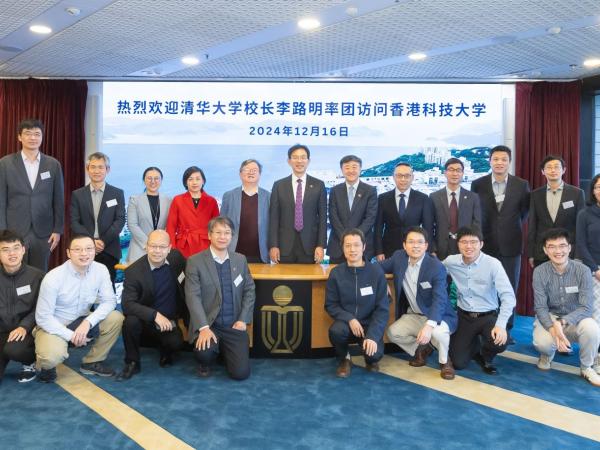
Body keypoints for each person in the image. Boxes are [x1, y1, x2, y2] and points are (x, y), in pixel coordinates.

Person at [34, 234, 124, 383]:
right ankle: (45, 363)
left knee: (116, 318)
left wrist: (88, 322)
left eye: (89, 249)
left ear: (95, 251)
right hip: (55, 325)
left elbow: (109, 301)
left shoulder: (101, 270)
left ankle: (91, 362)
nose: (84, 253)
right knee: (50, 357)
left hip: (81, 320)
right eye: (78, 249)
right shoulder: (53, 277)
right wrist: (71, 336)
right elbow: (43, 318)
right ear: (68, 253)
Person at [382, 227, 457, 380]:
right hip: (415, 315)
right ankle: (423, 348)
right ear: (404, 245)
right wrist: (382, 282)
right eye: (411, 242)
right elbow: (376, 267)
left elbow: (440, 299)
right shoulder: (399, 257)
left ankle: (445, 361)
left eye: (419, 242)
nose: (415, 246)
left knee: (436, 332)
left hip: (439, 315)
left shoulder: (435, 266)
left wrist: (429, 326)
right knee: (393, 333)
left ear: (426, 246)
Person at [185, 216, 255, 380]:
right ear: (209, 235)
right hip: (210, 324)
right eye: (218, 232)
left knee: (240, 374)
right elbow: (192, 296)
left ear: (231, 236)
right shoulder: (195, 261)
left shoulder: (240, 259)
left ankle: (225, 351)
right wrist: (203, 327)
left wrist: (243, 319)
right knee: (204, 353)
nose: (222, 237)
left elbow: (250, 290)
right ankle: (206, 361)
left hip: (234, 325)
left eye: (227, 233)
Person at [471, 145, 530, 333]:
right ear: (490, 161)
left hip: (511, 244)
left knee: (509, 287)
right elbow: (476, 214)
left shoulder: (521, 184)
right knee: (486, 286)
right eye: (495, 159)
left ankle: (507, 327)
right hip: (486, 245)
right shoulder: (478, 184)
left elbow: (524, 213)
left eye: (503, 159)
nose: (499, 162)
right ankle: (487, 326)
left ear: (509, 162)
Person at [443, 226, 515, 375]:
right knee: (458, 363)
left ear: (481, 244)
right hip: (464, 316)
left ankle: (486, 353)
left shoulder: (493, 264)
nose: (469, 246)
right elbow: (434, 271)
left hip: (488, 316)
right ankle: (474, 344)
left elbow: (508, 296)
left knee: (500, 341)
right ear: (458, 244)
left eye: (473, 242)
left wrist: (501, 325)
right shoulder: (451, 261)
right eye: (464, 242)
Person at [533, 228, 600, 386]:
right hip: (551, 316)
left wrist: (562, 322)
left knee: (592, 328)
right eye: (552, 246)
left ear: (569, 248)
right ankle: (547, 355)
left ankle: (586, 367)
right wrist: (554, 330)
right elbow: (540, 307)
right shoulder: (539, 272)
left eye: (562, 245)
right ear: (545, 250)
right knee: (542, 344)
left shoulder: (583, 270)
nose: (558, 251)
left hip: (576, 317)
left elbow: (586, 307)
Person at [117, 230, 186, 381]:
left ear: (169, 248)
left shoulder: (177, 259)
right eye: (153, 246)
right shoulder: (134, 271)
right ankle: (132, 361)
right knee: (130, 321)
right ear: (146, 247)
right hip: (145, 320)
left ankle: (165, 350)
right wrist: (154, 315)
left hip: (169, 320)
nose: (157, 251)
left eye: (162, 247)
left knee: (176, 344)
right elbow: (127, 304)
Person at [0, 119, 64, 272]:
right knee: (13, 272)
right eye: (28, 134)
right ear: (19, 137)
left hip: (44, 232)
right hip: (14, 230)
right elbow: (1, 200)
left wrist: (58, 229)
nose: (33, 138)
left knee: (40, 273)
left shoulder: (53, 164)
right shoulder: (5, 163)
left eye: (37, 134)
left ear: (42, 137)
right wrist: (2, 232)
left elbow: (59, 199)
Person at [325, 228, 389, 378]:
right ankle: (344, 358)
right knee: (335, 331)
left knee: (375, 355)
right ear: (342, 248)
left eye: (356, 245)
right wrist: (350, 318)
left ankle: (369, 355)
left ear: (364, 247)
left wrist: (373, 335)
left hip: (368, 324)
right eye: (347, 245)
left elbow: (382, 309)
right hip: (346, 324)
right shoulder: (336, 273)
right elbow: (331, 305)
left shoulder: (376, 272)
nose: (352, 249)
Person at [70, 152, 125, 284]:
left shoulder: (117, 193)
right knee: (83, 287)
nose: (97, 171)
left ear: (107, 170)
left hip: (109, 249)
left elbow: (120, 220)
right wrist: (91, 242)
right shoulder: (77, 194)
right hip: (84, 250)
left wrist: (103, 241)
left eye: (101, 167)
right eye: (93, 167)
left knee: (107, 288)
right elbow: (74, 222)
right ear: (87, 169)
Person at [268, 144, 327, 264]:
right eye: (295, 157)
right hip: (284, 247)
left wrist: (321, 245)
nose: (299, 161)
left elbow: (322, 218)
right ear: (289, 161)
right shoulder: (279, 185)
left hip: (310, 246)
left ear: (308, 161)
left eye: (303, 157)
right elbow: (274, 218)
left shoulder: (318, 185)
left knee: (309, 281)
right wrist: (273, 245)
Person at [0, 230, 44, 384]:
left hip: (26, 331)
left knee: (14, 350)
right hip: (2, 330)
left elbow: (40, 308)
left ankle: (29, 362)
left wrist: (24, 327)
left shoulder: (37, 276)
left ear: (23, 250)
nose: (12, 253)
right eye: (5, 249)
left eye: (16, 248)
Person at [528, 155, 585, 268]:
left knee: (569, 285)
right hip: (542, 252)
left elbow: (581, 226)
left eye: (557, 167)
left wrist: (579, 254)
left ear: (563, 170)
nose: (553, 170)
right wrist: (531, 253)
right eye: (549, 167)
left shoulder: (577, 193)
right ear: (543, 172)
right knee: (543, 284)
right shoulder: (535, 194)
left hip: (568, 251)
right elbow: (532, 225)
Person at [374, 162, 434, 260]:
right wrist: (379, 251)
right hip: (388, 250)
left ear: (412, 178)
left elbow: (428, 228)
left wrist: (427, 251)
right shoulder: (382, 198)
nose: (403, 179)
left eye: (407, 176)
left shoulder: (423, 198)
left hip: (415, 249)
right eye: (399, 176)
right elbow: (378, 228)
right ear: (393, 177)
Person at [327, 155, 377, 264]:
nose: (351, 171)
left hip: (362, 247)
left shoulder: (370, 191)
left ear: (360, 169)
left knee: (362, 279)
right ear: (342, 170)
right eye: (347, 167)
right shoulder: (335, 191)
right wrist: (345, 239)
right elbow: (333, 216)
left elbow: (370, 218)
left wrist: (356, 239)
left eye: (354, 167)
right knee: (336, 278)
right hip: (338, 246)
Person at [430, 158, 481, 261]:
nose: (455, 173)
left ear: (462, 173)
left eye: (458, 170)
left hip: (466, 247)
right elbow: (430, 226)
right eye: (451, 170)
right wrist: (432, 249)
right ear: (445, 173)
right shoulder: (434, 197)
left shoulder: (473, 197)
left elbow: (477, 224)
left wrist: (475, 247)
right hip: (441, 248)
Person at [220, 159, 270, 263]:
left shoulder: (269, 196)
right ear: (240, 174)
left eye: (254, 170)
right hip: (234, 252)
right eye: (247, 169)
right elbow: (222, 224)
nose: (251, 172)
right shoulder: (229, 196)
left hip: (261, 254)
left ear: (260, 174)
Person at [166, 166, 219, 258]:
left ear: (203, 181)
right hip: (183, 245)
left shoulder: (211, 201)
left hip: (205, 245)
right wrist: (172, 248)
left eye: (198, 179)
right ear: (185, 182)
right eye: (190, 179)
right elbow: (171, 226)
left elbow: (216, 227)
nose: (194, 182)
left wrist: (217, 246)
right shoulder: (177, 200)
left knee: (203, 271)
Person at [576, 173, 600, 370]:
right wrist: (596, 269)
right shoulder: (585, 213)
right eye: (598, 187)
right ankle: (593, 356)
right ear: (593, 190)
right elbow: (581, 245)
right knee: (594, 317)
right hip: (592, 272)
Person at [126, 167, 172, 263]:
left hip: (161, 251)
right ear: (144, 180)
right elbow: (132, 225)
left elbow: (170, 225)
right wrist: (150, 244)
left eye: (156, 178)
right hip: (139, 248)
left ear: (161, 180)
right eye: (149, 178)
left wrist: (159, 245)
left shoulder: (169, 200)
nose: (153, 181)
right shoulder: (134, 200)